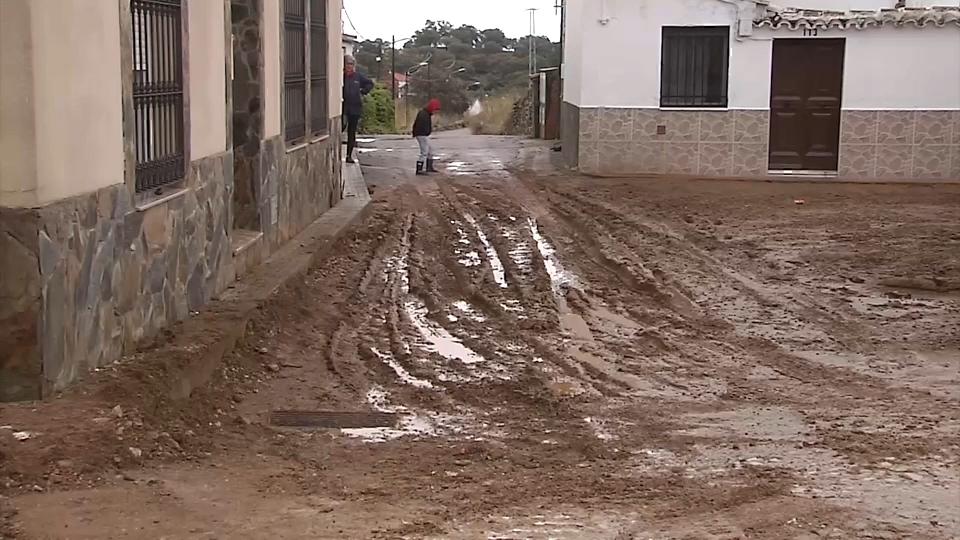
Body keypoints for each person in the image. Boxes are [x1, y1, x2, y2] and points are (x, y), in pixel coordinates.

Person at [342, 54, 374, 163]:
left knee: (352, 132)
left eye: (351, 64)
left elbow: (370, 83)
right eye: (348, 64)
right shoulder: (341, 77)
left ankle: (349, 155)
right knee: (341, 127)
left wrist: (363, 91)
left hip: (355, 108)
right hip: (343, 108)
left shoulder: (357, 76)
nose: (349, 66)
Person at [412, 98, 441, 176]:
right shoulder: (424, 115)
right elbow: (421, 126)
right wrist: (427, 131)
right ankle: (419, 170)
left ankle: (429, 167)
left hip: (422, 134)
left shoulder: (425, 113)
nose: (435, 112)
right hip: (422, 135)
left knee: (430, 151)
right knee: (424, 152)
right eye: (435, 110)